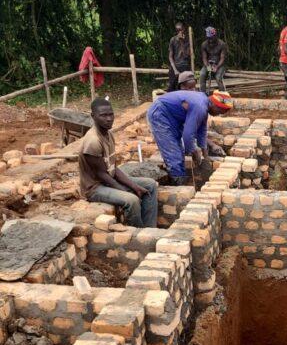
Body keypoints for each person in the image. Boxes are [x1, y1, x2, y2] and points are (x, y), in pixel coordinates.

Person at [78, 98, 158, 228]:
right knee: (131, 200)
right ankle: (138, 234)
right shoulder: (92, 141)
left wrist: (135, 186)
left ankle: (150, 229)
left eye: (111, 114)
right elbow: (101, 174)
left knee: (150, 185)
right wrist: (125, 190)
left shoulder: (108, 134)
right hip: (95, 188)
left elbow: (113, 167)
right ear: (93, 116)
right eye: (103, 115)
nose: (109, 119)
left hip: (107, 179)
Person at [147, 80, 233, 185]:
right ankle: (179, 183)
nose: (218, 115)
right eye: (220, 112)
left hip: (172, 116)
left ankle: (179, 176)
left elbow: (202, 131)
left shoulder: (204, 104)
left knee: (178, 150)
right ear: (216, 105)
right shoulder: (200, 107)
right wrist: (193, 151)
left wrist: (205, 156)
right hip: (161, 114)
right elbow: (188, 135)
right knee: (173, 152)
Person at [199, 27, 227, 92]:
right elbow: (204, 58)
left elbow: (222, 58)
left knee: (218, 78)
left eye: (211, 38)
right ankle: (202, 94)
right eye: (208, 38)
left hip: (220, 65)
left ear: (215, 36)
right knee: (202, 74)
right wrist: (207, 66)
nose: (210, 40)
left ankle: (223, 95)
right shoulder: (204, 45)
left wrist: (217, 67)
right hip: (208, 64)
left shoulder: (222, 44)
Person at [168, 21, 192, 91]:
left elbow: (186, 55)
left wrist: (181, 42)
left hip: (185, 65)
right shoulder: (173, 40)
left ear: (184, 29)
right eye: (178, 31)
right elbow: (170, 56)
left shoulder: (187, 40)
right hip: (175, 65)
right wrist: (175, 70)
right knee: (172, 85)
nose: (180, 32)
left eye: (181, 30)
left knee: (185, 85)